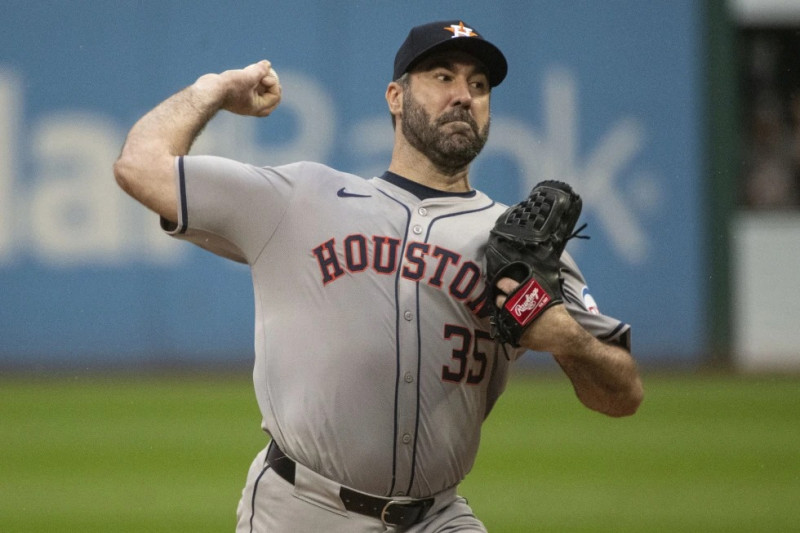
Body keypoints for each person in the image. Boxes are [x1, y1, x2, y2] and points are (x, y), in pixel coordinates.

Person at [114, 19, 643, 533]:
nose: (463, 94)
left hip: (437, 517)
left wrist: (567, 339)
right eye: (443, 77)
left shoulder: (517, 245)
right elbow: (139, 166)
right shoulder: (300, 199)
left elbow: (623, 395)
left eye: (478, 85)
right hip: (302, 510)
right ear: (395, 96)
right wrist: (215, 89)